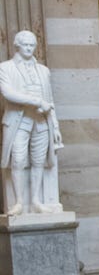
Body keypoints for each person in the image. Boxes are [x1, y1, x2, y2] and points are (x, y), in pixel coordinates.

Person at [0, 31, 64, 216]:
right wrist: (36, 102)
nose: (29, 48)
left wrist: (56, 126)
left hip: (42, 122)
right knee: (18, 161)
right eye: (25, 45)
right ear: (17, 46)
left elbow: (49, 100)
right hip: (18, 122)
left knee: (39, 161)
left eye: (32, 45)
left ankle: (35, 200)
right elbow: (8, 94)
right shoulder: (5, 68)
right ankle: (19, 202)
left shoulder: (43, 70)